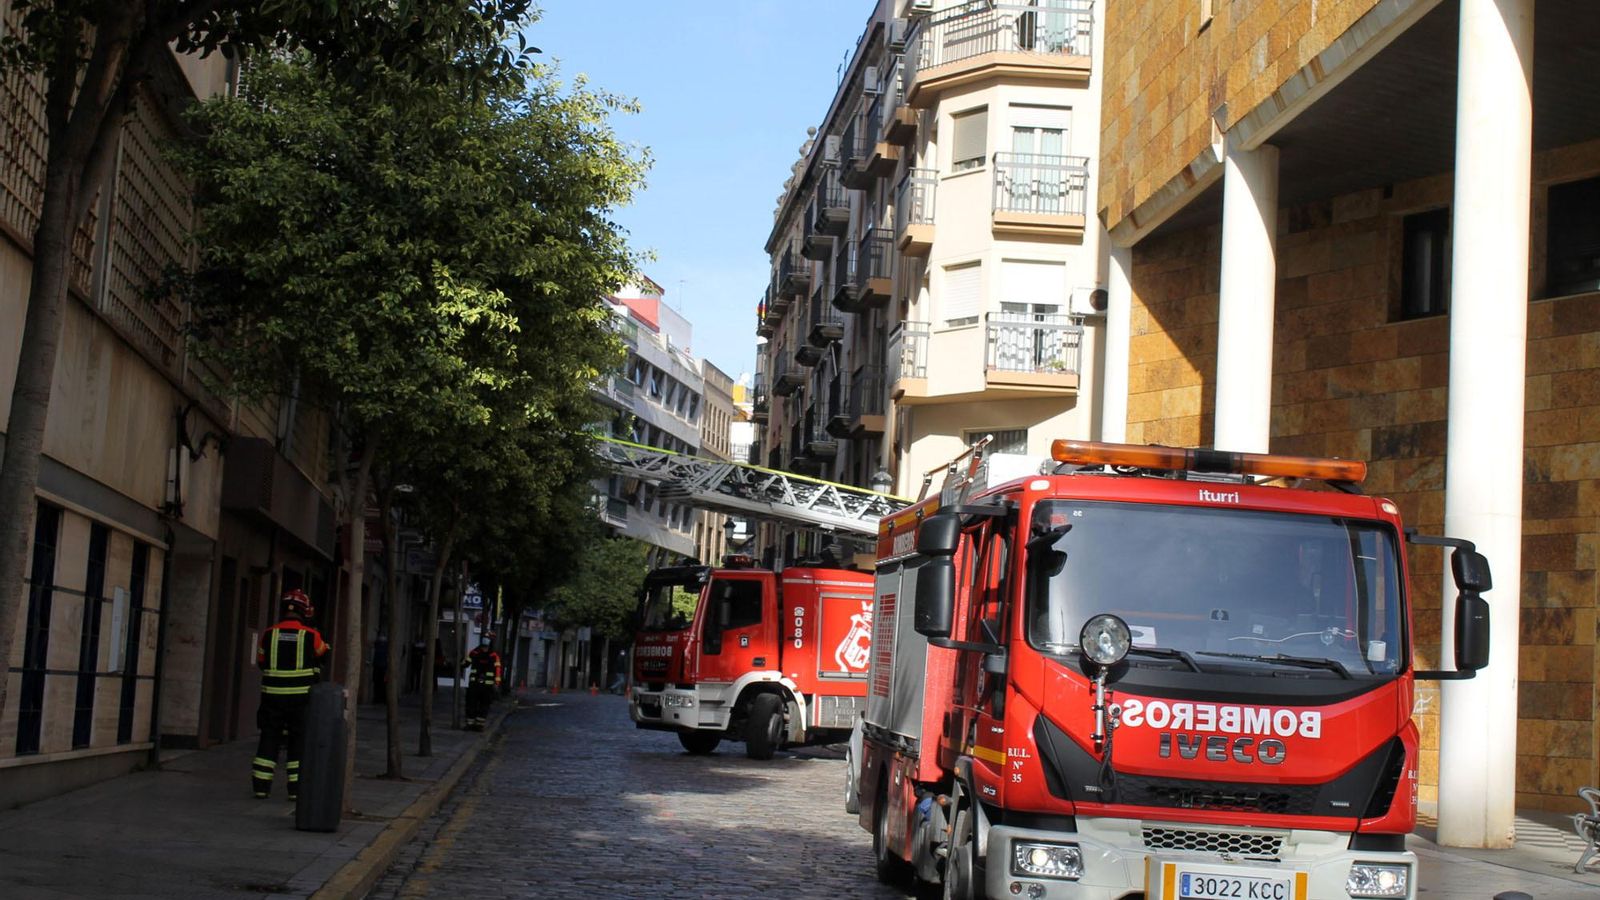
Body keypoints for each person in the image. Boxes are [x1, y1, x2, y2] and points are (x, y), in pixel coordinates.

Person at [252, 589, 328, 800]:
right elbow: (323, 655)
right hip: (300, 700)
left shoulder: (269, 634)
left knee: (269, 737)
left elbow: (261, 662)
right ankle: (295, 789)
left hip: (271, 698)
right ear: (305, 612)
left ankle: (261, 786)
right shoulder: (311, 635)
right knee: (298, 741)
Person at [462, 632, 502, 730]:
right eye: (485, 638)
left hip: (487, 686)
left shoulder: (494, 656)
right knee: (471, 704)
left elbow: (497, 670)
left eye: (487, 638)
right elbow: (465, 663)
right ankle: (470, 724)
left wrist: (496, 683)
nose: (485, 640)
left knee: (484, 705)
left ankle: (479, 725)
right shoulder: (474, 652)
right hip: (474, 684)